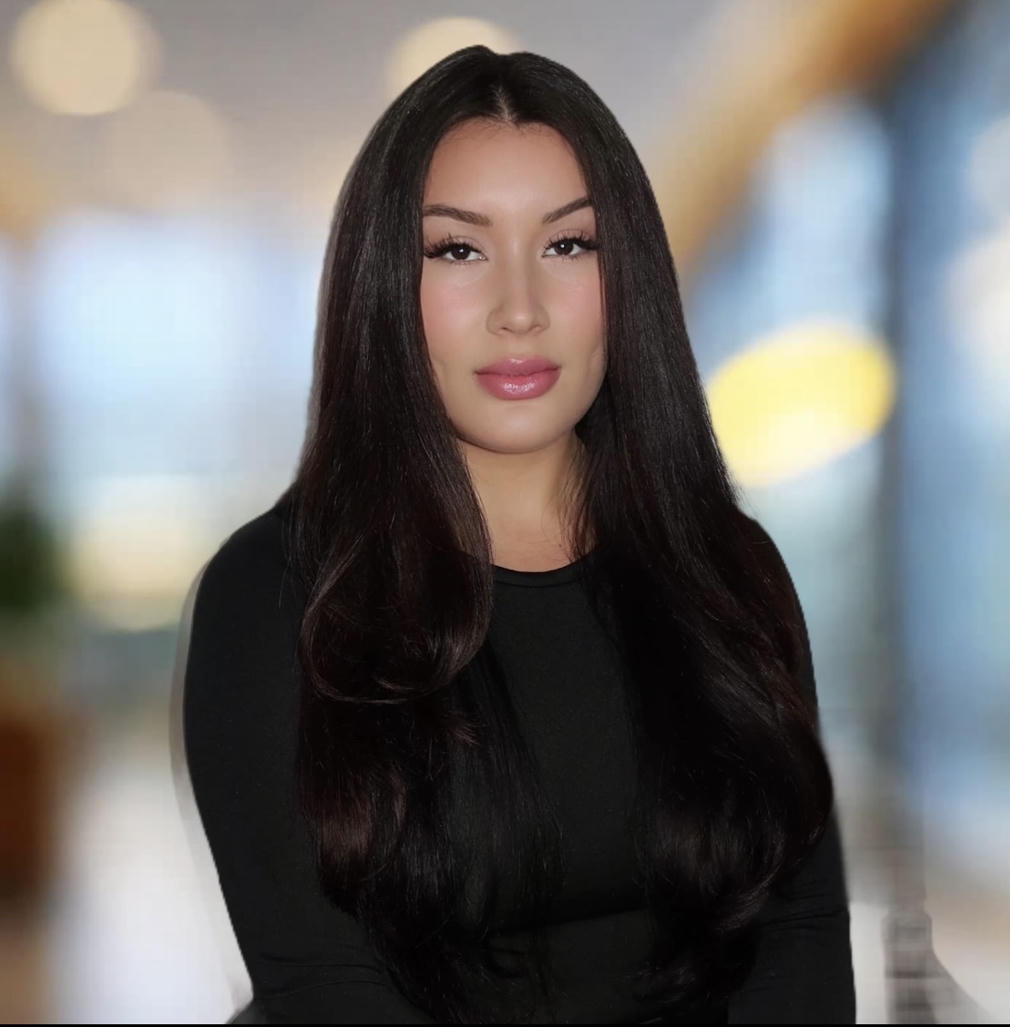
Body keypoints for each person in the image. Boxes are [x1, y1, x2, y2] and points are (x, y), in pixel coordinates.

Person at [174, 45, 855, 1024]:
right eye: (458, 250)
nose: (520, 310)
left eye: (568, 246)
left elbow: (798, 938)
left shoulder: (728, 568)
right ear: (381, 286)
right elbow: (327, 991)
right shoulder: (278, 592)